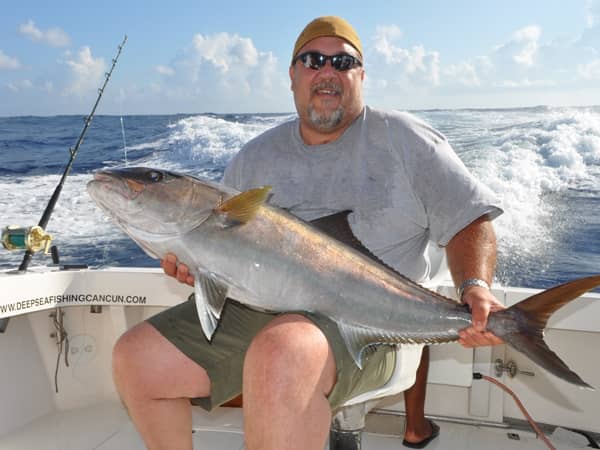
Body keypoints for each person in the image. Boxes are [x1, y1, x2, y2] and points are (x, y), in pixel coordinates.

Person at [112, 16, 505, 450]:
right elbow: (224, 260)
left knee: (281, 352)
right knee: (137, 360)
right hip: (260, 310)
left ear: (361, 75)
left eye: (343, 61)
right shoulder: (254, 158)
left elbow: (471, 218)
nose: (327, 71)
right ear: (293, 75)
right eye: (313, 60)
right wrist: (196, 268)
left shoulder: (407, 140)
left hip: (373, 321)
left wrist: (475, 287)